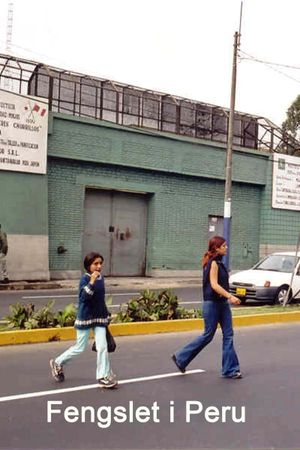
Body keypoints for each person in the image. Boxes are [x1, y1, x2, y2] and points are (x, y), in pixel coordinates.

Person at [172, 236, 242, 379]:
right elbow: (214, 285)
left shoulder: (219, 263)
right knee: (208, 335)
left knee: (228, 335)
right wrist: (230, 296)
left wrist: (227, 298)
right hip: (212, 304)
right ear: (216, 248)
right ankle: (181, 357)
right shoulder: (213, 263)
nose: (226, 247)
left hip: (222, 304)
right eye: (223, 246)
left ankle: (230, 370)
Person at [50, 252, 118, 388]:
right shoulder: (85, 279)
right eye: (95, 264)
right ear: (88, 266)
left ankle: (103, 376)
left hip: (99, 318)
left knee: (102, 347)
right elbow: (84, 298)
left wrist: (106, 315)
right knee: (79, 347)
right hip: (86, 317)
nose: (99, 266)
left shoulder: (101, 278)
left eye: (100, 263)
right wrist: (92, 281)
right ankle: (58, 362)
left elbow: (100, 299)